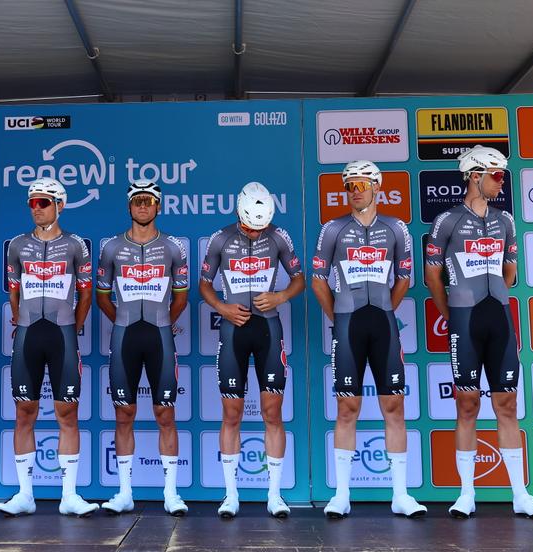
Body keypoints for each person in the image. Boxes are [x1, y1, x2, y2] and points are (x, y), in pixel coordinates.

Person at [425, 146, 533, 519]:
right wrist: (450, 311)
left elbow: (510, 271)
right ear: (474, 176)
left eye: (503, 175)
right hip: (464, 318)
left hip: (499, 315)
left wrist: (495, 277)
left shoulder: (505, 220)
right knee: (467, 405)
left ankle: (520, 494)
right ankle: (466, 494)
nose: (501, 181)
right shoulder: (446, 220)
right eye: (495, 175)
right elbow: (432, 274)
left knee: (507, 405)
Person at [312, 160, 425, 518]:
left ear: (378, 186)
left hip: (384, 325)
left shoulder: (396, 228)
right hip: (346, 325)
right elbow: (318, 280)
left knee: (394, 407)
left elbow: (405, 276)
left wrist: (384, 313)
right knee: (348, 408)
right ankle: (342, 495)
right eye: (349, 186)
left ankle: (400, 495)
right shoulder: (332, 229)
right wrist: (339, 318)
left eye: (362, 184)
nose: (355, 190)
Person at [200, 181, 305, 518]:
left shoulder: (279, 237)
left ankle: (275, 495)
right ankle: (231, 495)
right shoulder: (220, 238)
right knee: (231, 414)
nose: (256, 233)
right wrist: (221, 307)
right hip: (233, 330)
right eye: (249, 226)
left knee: (272, 413)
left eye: (261, 227)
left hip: (268, 328)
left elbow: (300, 278)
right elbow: (203, 284)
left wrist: (280, 297)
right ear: (238, 214)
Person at [0, 177, 98, 517]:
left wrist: (75, 326)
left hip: (62, 335)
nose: (36, 208)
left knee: (66, 414)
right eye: (32, 203)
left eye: (42, 202)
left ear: (60, 205)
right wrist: (19, 316)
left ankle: (69, 495)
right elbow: (12, 289)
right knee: (24, 413)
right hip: (28, 334)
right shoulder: (17, 245)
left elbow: (86, 292)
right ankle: (25, 494)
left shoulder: (75, 245)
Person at [97, 181, 190, 517]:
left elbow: (181, 297)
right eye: (137, 201)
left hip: (159, 337)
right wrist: (122, 320)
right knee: (124, 414)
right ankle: (124, 492)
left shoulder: (173, 247)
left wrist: (163, 320)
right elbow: (102, 296)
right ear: (129, 206)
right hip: (124, 337)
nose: (142, 206)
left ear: (158, 207)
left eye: (148, 201)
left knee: (165, 414)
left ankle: (171, 493)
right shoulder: (111, 248)